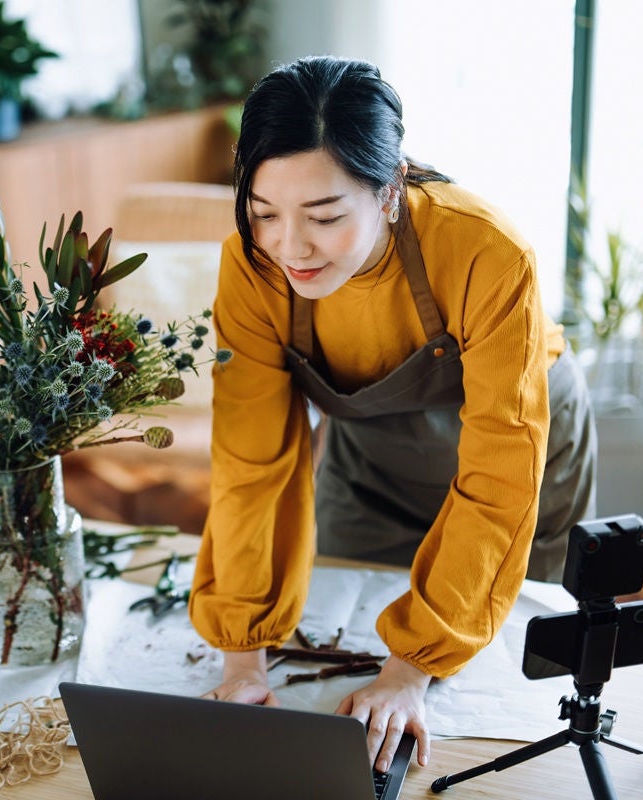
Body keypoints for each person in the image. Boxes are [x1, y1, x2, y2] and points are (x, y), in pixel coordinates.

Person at [189, 56, 597, 774]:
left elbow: (499, 480)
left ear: (389, 190)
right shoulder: (250, 269)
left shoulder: (489, 252)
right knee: (342, 649)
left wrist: (411, 669)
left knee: (516, 685)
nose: (291, 246)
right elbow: (251, 463)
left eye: (323, 216)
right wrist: (242, 659)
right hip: (370, 451)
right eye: (263, 214)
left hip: (523, 444)